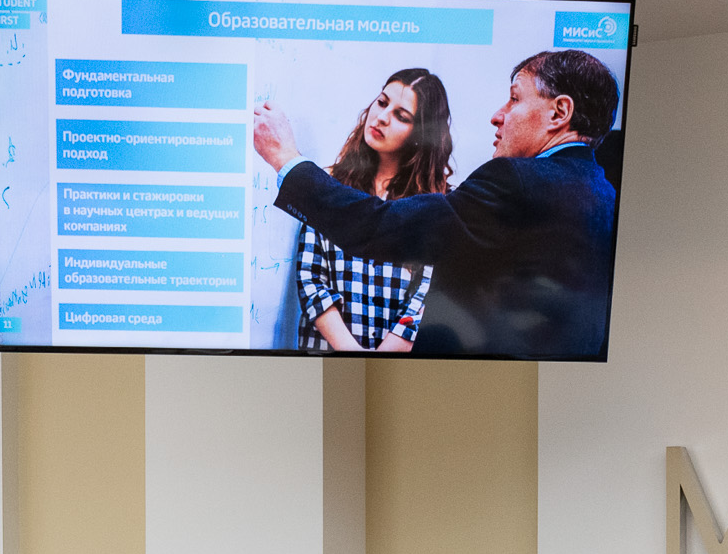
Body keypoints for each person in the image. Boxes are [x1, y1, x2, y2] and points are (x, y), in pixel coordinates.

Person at [253, 49, 621, 360]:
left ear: (559, 112)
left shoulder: (514, 180)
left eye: (514, 98)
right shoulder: (603, 192)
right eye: (382, 102)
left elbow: (382, 228)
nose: (497, 115)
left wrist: (286, 159)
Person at [292, 69, 451, 353]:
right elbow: (310, 277)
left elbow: (427, 295)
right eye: (382, 102)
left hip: (399, 370)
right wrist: (352, 354)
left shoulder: (437, 202)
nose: (382, 117)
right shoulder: (327, 184)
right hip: (328, 364)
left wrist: (380, 363)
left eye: (402, 116)